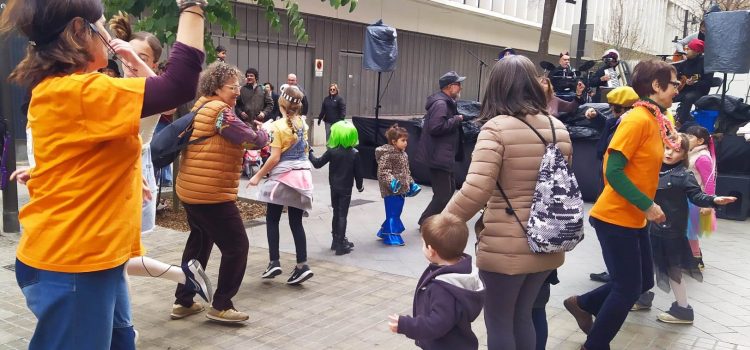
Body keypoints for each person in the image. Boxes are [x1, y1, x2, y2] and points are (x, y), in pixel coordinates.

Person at [1, 0, 206, 348]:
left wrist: (123, 173)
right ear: (79, 32)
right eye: (102, 28)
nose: (109, 38)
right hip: (73, 266)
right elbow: (180, 86)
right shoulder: (78, 92)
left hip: (92, 261)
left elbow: (90, 152)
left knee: (121, 341)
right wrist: (192, 7)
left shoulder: (71, 89)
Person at [442, 55, 572, 350]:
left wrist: (442, 224)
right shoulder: (557, 128)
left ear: (497, 87)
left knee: (499, 321)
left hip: (505, 245)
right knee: (523, 316)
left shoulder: (496, 129)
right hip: (548, 241)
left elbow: (475, 190)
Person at [564, 60, 681, 350]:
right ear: (657, 85)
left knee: (641, 283)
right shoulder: (636, 119)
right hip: (615, 217)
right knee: (627, 288)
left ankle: (582, 303)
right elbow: (612, 170)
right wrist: (647, 204)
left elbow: (639, 166)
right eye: (675, 83)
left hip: (633, 217)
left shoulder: (655, 119)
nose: (678, 89)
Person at [173, 62, 269, 323]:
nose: (237, 91)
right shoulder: (220, 112)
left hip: (191, 189)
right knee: (237, 246)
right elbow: (248, 138)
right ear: (216, 88)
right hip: (210, 193)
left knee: (199, 244)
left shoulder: (201, 106)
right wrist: (264, 136)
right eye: (232, 87)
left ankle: (183, 300)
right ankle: (222, 305)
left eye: (238, 86)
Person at [634, 134, 735, 323]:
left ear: (684, 155)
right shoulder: (651, 169)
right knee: (644, 263)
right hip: (648, 227)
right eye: (667, 147)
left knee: (673, 269)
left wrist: (713, 200)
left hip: (671, 231)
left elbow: (697, 195)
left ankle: (683, 309)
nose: (670, 153)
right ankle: (643, 297)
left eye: (677, 150)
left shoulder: (684, 175)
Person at [388, 213, 485, 350]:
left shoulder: (443, 287)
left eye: (423, 243)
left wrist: (406, 325)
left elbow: (437, 324)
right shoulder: (461, 271)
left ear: (431, 250)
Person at [249, 85, 315, 285]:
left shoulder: (277, 127)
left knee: (272, 219)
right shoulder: (303, 124)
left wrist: (258, 176)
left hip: (283, 178)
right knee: (296, 222)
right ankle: (302, 265)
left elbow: (274, 157)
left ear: (282, 103)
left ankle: (274, 261)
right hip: (302, 177)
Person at [586, 86, 640, 284]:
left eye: (616, 109)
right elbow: (608, 123)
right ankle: (613, 269)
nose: (613, 113)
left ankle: (618, 273)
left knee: (610, 225)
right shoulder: (617, 121)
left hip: (619, 184)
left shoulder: (632, 126)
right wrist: (596, 116)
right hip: (608, 178)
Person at [416, 71, 465, 226]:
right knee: (443, 194)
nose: (460, 87)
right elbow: (436, 127)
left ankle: (431, 219)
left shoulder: (446, 102)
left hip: (444, 155)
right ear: (449, 86)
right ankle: (426, 221)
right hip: (438, 156)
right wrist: (456, 119)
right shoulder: (441, 104)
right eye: (458, 84)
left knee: (448, 191)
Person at [309, 120, 364, 255]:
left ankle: (335, 240)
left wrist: (309, 152)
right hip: (346, 188)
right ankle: (340, 244)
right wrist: (359, 186)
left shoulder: (331, 152)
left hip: (334, 186)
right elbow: (358, 173)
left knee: (336, 212)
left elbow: (317, 164)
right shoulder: (354, 153)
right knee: (342, 215)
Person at [376, 124, 420, 246]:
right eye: (403, 140)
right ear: (394, 142)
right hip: (391, 191)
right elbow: (383, 172)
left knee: (395, 212)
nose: (406, 143)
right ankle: (391, 236)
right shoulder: (388, 155)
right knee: (393, 213)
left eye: (406, 140)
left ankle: (384, 231)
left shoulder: (403, 154)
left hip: (401, 190)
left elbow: (406, 171)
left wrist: (411, 183)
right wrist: (392, 183)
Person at [685, 125, 718, 270]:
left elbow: (709, 181)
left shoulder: (702, 157)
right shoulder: (691, 153)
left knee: (690, 231)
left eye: (690, 136)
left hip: (695, 200)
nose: (687, 138)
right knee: (685, 231)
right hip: (687, 197)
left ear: (700, 141)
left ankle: (697, 260)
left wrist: (708, 204)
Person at [674, 39, 714, 130]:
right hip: (684, 90)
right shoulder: (685, 62)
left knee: (688, 97)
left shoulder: (706, 63)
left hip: (699, 91)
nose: (686, 51)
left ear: (697, 52)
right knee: (669, 94)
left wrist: (695, 82)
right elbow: (678, 73)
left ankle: (680, 122)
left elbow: (707, 82)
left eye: (689, 49)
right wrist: (682, 79)